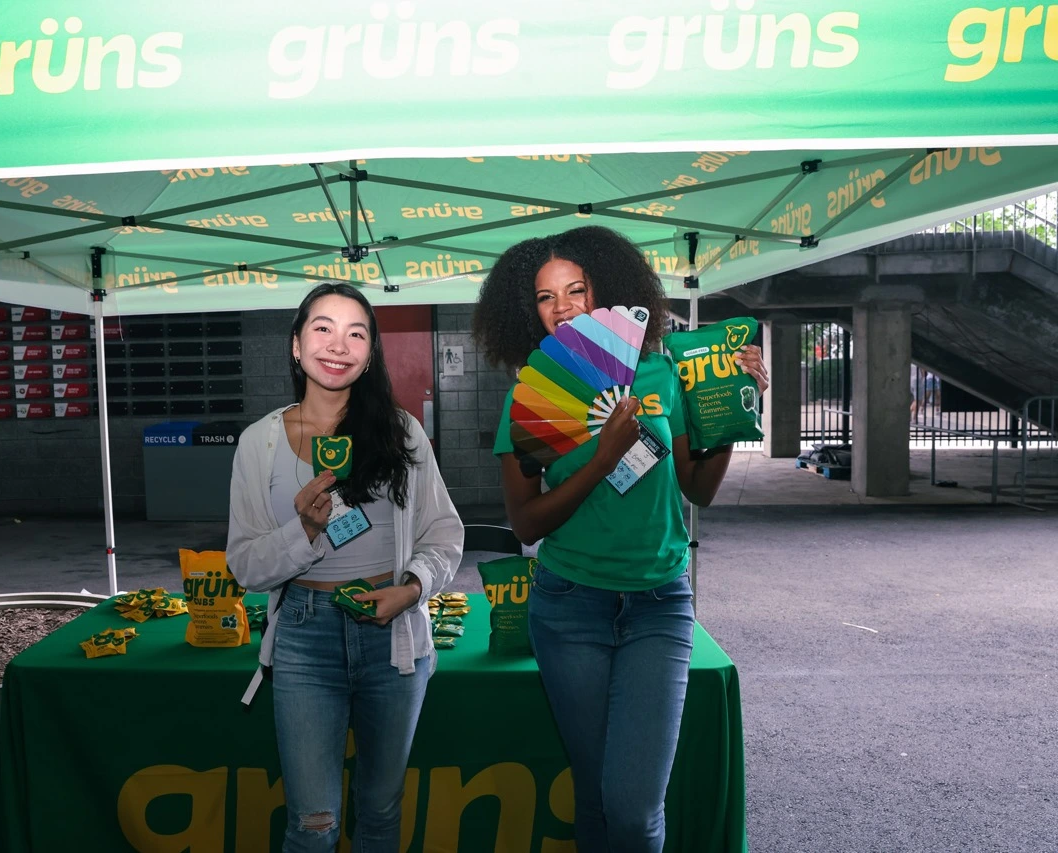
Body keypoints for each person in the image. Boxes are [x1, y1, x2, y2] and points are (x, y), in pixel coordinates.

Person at [471, 226, 769, 853]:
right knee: (596, 800)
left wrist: (731, 411)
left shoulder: (663, 372)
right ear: (528, 311)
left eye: (576, 289)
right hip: (569, 606)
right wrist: (601, 460)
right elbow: (527, 524)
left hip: (659, 607)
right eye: (546, 297)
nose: (564, 307)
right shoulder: (531, 397)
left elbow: (700, 489)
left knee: (634, 812)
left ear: (607, 288)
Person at [227, 282, 463, 852]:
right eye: (323, 329)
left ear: (371, 351)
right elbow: (246, 567)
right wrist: (304, 530)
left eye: (356, 332)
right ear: (295, 345)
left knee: (380, 814)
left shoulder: (401, 432)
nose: (338, 345)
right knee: (314, 825)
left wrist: (411, 588)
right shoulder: (259, 443)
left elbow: (444, 534)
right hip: (305, 639)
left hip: (395, 637)